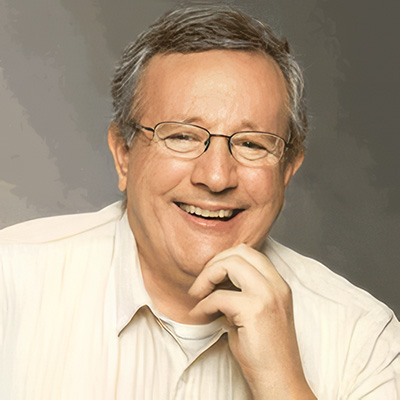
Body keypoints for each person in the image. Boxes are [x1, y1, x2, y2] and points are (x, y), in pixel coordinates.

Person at [1, 4, 399, 400]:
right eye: (182, 136)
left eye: (252, 144)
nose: (215, 177)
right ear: (123, 153)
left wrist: (284, 386)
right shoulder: (12, 281)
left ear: (288, 169)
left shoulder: (363, 339)